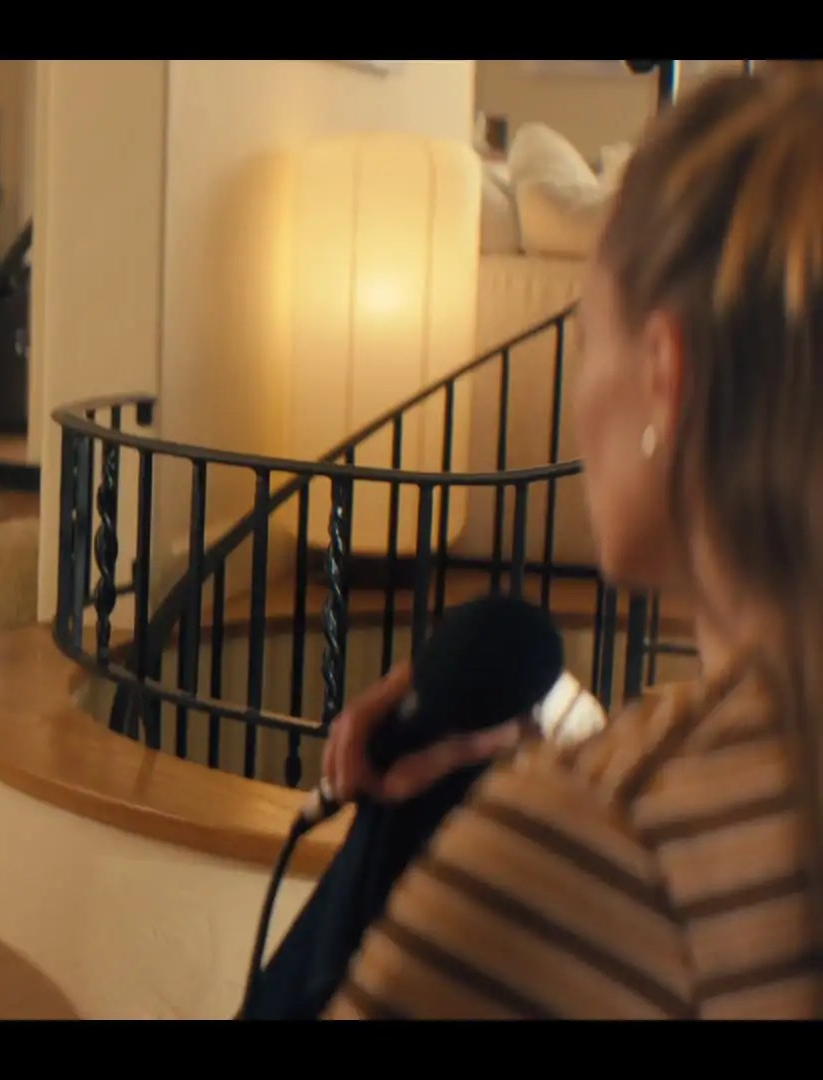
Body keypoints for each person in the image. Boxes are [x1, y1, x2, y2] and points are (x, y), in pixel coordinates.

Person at [319, 66, 823, 1019]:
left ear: (668, 377)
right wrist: (548, 725)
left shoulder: (603, 843)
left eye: (586, 337)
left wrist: (557, 814)